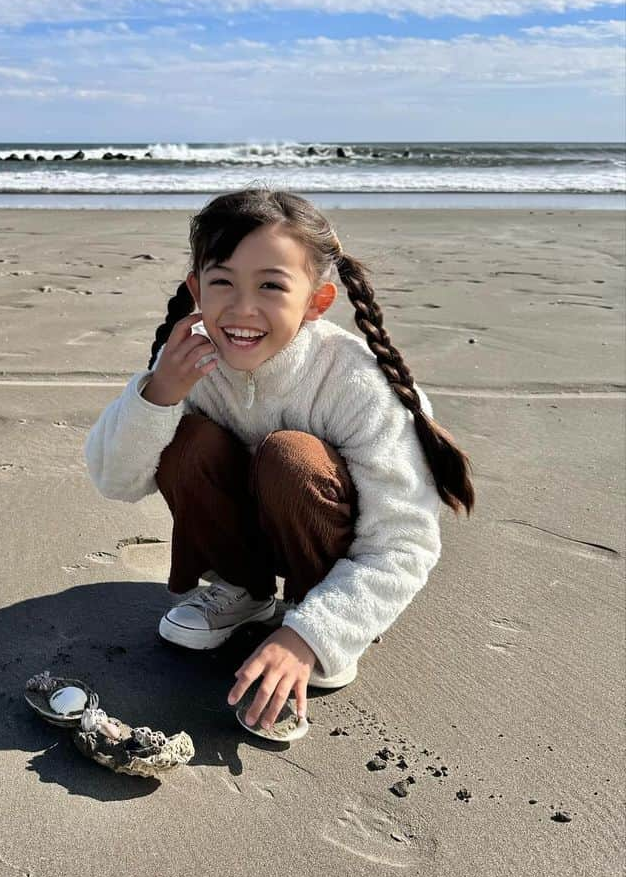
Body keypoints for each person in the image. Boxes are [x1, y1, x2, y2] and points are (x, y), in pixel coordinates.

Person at [84, 187, 474, 742]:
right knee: (185, 439)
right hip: (242, 537)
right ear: (196, 288)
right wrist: (159, 393)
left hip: (332, 558)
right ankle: (242, 593)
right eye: (222, 282)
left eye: (271, 285)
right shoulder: (189, 360)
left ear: (317, 302)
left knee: (290, 457)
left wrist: (314, 634)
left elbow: (404, 541)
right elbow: (116, 480)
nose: (243, 310)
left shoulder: (355, 382)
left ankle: (307, 617)